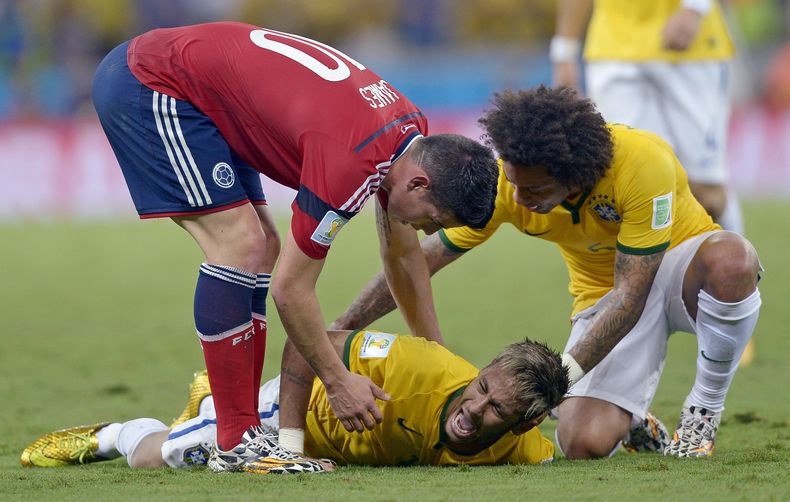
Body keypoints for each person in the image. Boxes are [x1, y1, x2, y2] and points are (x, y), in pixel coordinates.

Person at [91, 22, 499, 472]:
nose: (425, 230)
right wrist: (337, 380)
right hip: (151, 80)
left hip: (200, 90)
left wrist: (440, 361)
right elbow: (290, 290)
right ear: (419, 184)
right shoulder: (352, 163)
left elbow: (402, 257)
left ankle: (242, 428)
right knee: (241, 245)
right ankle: (237, 443)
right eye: (434, 219)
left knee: (263, 247)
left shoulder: (409, 137)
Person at [331, 86, 762, 459]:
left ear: (574, 174)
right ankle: (633, 420)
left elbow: (633, 294)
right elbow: (419, 262)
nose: (518, 198)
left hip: (679, 271)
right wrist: (342, 327)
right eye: (514, 182)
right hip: (605, 294)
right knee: (581, 443)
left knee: (732, 261)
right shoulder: (510, 187)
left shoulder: (642, 162)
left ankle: (702, 412)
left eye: (534, 188)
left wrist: (559, 380)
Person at [21, 330, 569, 471]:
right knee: (158, 457)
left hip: (327, 451)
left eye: (497, 410)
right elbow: (309, 344)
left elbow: (566, 456)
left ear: (524, 425)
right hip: (292, 414)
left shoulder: (524, 451)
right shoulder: (417, 365)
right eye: (481, 388)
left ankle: (210, 401)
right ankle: (111, 435)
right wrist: (289, 445)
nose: (474, 409)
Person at [551, 0, 755, 366]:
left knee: (707, 193)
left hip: (691, 49)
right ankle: (621, 320)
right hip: (614, 49)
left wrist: (694, 10)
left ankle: (734, 304)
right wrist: (564, 48)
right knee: (617, 180)